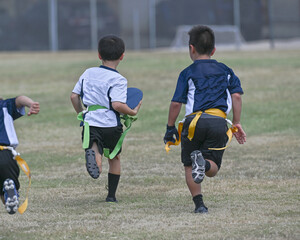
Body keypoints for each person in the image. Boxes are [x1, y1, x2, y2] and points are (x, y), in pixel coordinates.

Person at [164, 25, 246, 213]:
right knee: (213, 168)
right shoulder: (226, 70)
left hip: (194, 123)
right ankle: (205, 163)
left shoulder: (187, 73)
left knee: (188, 164)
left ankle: (200, 205)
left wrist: (170, 127)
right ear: (214, 50)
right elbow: (237, 97)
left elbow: (176, 104)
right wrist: (236, 122)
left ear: (191, 49)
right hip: (218, 122)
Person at [71, 35, 142, 203]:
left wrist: (81, 112)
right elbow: (117, 105)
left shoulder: (88, 73)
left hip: (91, 121)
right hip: (111, 123)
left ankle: (95, 156)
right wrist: (132, 112)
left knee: (95, 147)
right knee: (114, 157)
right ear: (122, 56)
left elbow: (74, 96)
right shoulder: (118, 79)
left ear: (99, 55)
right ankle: (111, 196)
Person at [0, 96, 40, 214]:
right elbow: (19, 99)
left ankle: (9, 194)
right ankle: (11, 191)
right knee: (6, 181)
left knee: (2, 190)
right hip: (5, 154)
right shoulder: (4, 105)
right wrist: (31, 103)